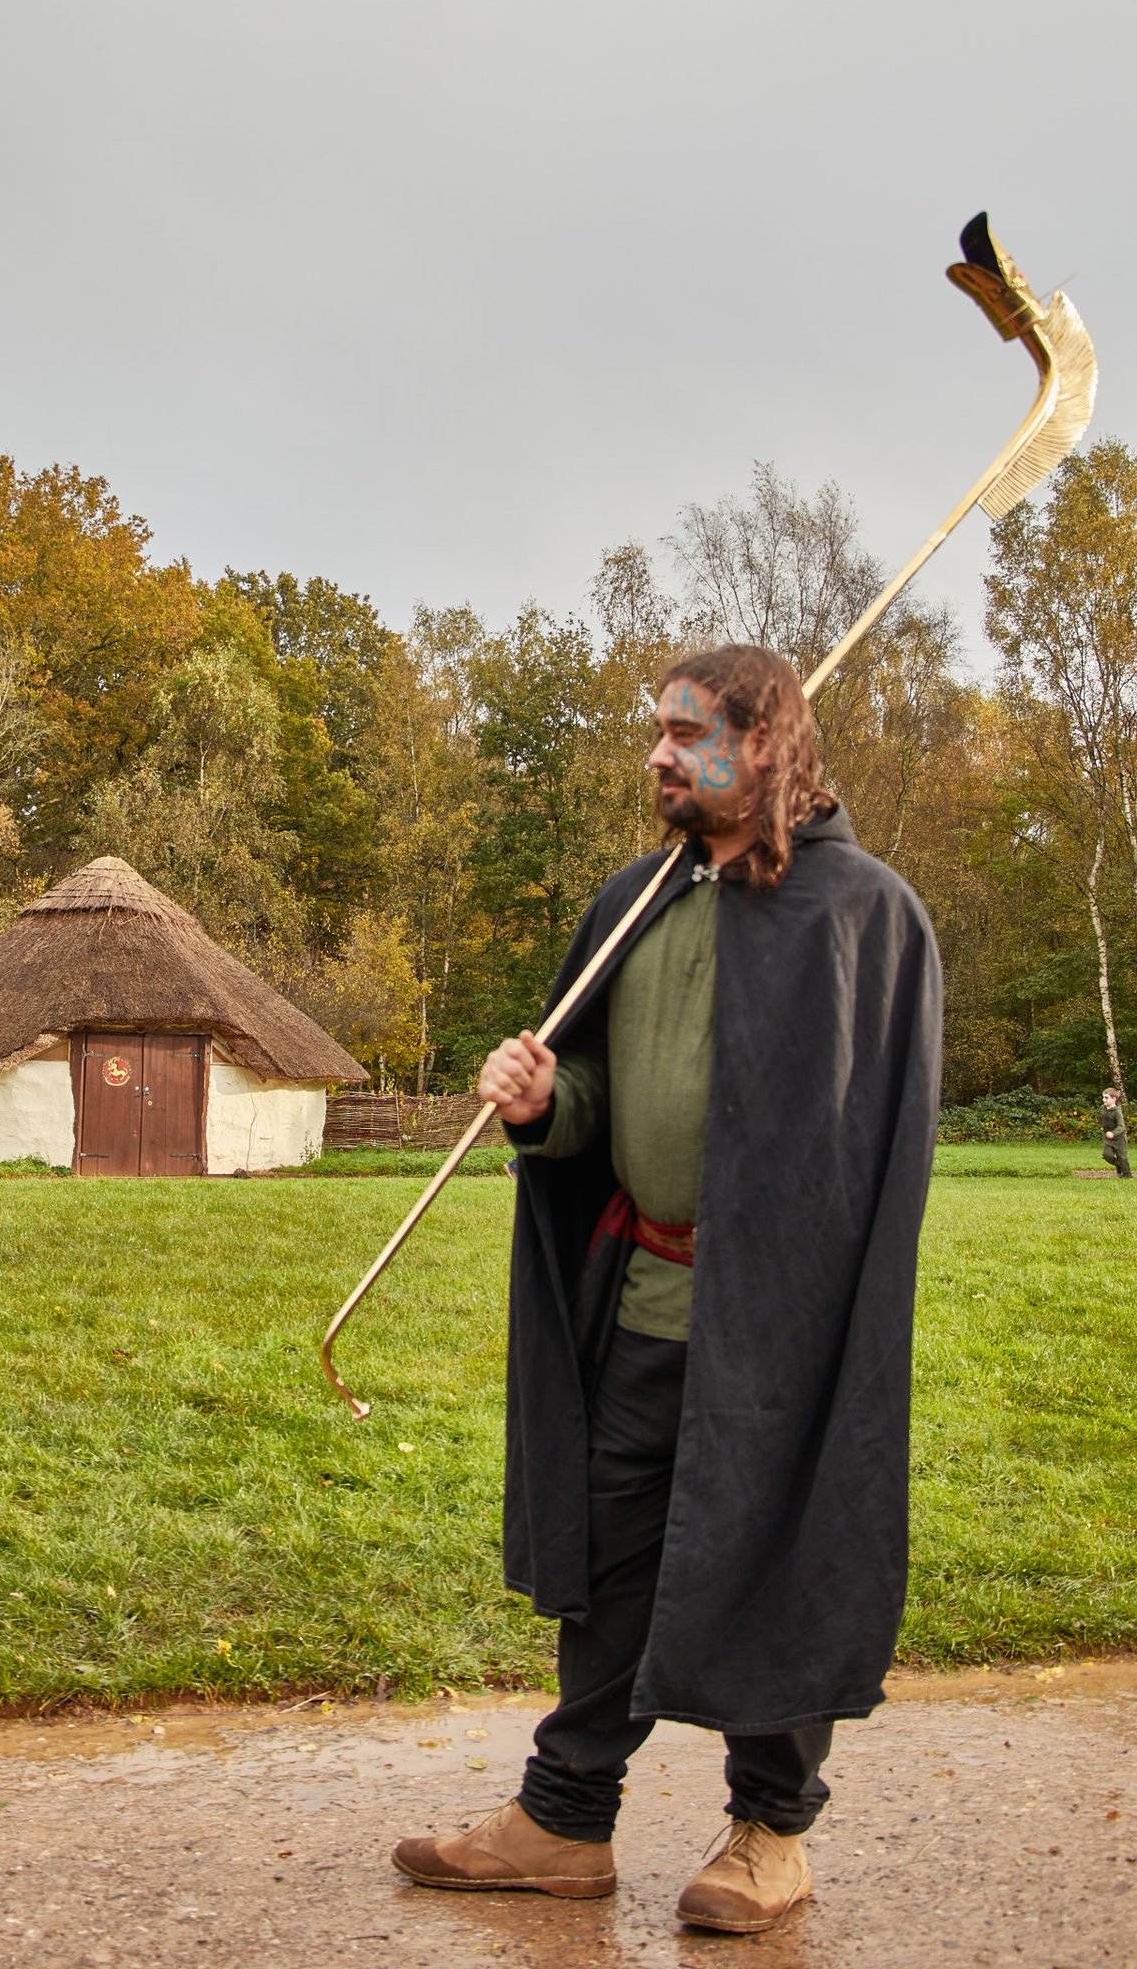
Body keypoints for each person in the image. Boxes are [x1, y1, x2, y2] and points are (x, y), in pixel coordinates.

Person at [392, 645, 942, 1936]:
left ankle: (769, 1833)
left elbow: (873, 1142)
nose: (657, 752)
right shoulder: (632, 903)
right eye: (656, 729)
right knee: (615, 1561)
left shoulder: (863, 913)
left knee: (776, 1551)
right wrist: (544, 1104)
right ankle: (565, 1820)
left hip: (787, 1325)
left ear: (767, 748)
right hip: (646, 1292)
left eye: (688, 731)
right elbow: (592, 1107)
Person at [1101, 1088, 1130, 1178]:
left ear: (1114, 1099)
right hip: (1108, 1138)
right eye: (1103, 1097)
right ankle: (1118, 1165)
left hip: (1119, 1138)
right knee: (1106, 1155)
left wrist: (1113, 1133)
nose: (1103, 1100)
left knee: (1122, 1157)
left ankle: (1127, 1176)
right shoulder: (1102, 1108)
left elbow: (1121, 1126)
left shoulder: (1117, 1112)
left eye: (1106, 1098)